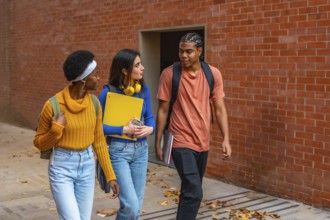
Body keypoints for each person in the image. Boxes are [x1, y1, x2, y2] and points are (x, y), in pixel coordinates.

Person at [34, 50, 119, 220]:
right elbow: (39, 143)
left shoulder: (94, 103)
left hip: (87, 165)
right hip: (62, 168)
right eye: (95, 74)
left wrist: (110, 176)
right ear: (83, 79)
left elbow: (100, 142)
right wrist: (56, 129)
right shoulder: (53, 105)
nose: (99, 78)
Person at [154, 32, 232, 220]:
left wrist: (226, 139)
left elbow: (220, 109)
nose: (183, 55)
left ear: (199, 51)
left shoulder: (213, 74)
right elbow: (163, 110)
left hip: (203, 142)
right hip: (180, 141)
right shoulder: (169, 74)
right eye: (181, 51)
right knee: (195, 191)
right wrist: (158, 142)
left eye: (189, 51)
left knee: (189, 190)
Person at [99, 48, 155, 220]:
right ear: (124, 70)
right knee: (130, 206)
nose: (142, 68)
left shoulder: (143, 90)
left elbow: (150, 118)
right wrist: (123, 129)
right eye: (137, 65)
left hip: (141, 150)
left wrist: (149, 129)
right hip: (118, 152)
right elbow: (97, 127)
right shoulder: (108, 92)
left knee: (136, 207)